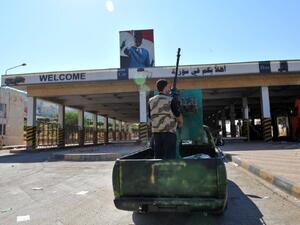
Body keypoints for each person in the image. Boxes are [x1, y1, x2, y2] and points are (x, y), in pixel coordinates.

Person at [148, 79, 183, 159]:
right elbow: (178, 115)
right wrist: (180, 123)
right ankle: (169, 171)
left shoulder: (150, 101)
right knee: (169, 157)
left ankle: (158, 171)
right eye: (168, 87)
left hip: (156, 134)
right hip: (169, 134)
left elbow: (150, 116)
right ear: (165, 87)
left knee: (158, 157)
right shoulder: (170, 100)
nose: (169, 88)